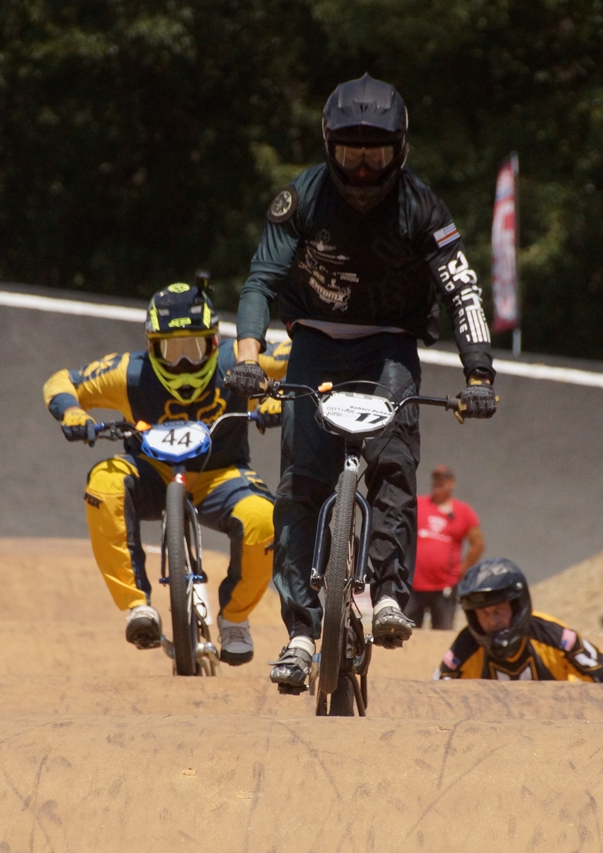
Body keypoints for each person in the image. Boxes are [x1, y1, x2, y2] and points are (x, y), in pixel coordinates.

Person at [224, 73, 498, 694]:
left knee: (394, 463)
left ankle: (390, 596)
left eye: (376, 153)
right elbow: (260, 282)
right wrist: (248, 356)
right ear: (329, 147)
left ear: (400, 149)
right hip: (314, 341)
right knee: (301, 482)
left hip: (390, 344)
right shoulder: (301, 198)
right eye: (351, 153)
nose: (365, 168)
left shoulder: (423, 207)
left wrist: (479, 374)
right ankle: (300, 633)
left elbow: (462, 289)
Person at [42, 279, 288, 664]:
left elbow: (303, 357)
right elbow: (63, 380)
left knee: (264, 519)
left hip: (220, 475)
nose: (183, 362)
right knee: (104, 482)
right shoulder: (130, 372)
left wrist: (280, 395)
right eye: (171, 351)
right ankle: (138, 606)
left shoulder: (238, 361)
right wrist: (72, 411)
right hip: (151, 472)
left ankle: (235, 619)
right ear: (151, 346)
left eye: (194, 348)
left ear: (214, 342)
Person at [436, 558, 603, 682]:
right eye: (483, 614)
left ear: (517, 607)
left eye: (499, 610)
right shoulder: (464, 648)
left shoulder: (553, 636)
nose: (493, 621)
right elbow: (435, 696)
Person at [406, 464, 484, 629]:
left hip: (444, 586)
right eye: (435, 479)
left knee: (443, 631)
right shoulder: (418, 504)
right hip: (413, 584)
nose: (438, 483)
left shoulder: (463, 511)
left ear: (452, 483)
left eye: (443, 479)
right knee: (407, 630)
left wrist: (462, 570)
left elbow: (478, 544)